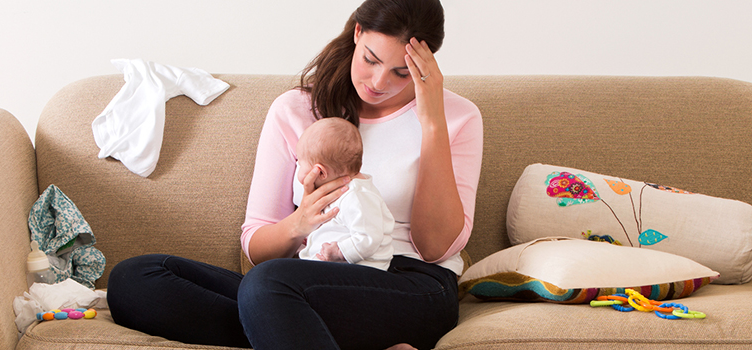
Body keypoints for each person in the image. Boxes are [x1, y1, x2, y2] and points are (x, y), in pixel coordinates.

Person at [107, 0, 483, 348]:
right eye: (370, 59)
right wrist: (299, 223)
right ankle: (292, 326)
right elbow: (255, 245)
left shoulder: (457, 117)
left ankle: (278, 320)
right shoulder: (296, 109)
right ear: (356, 33)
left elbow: (436, 247)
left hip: (411, 285)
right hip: (307, 280)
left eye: (402, 72)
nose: (379, 82)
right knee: (135, 278)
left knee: (267, 287)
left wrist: (431, 121)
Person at [294, 117, 395, 270]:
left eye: (300, 163)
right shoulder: (338, 193)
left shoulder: (357, 196)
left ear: (320, 172)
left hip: (360, 270)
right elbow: (338, 227)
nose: (298, 169)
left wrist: (339, 251)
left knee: (270, 275)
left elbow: (369, 237)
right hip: (331, 267)